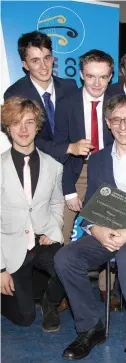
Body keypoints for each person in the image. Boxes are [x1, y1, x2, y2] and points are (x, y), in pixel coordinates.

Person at [54, 95, 126, 363]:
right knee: (66, 257)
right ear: (108, 123)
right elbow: (93, 205)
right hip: (108, 230)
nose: (122, 126)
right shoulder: (96, 160)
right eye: (116, 120)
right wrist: (96, 228)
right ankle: (90, 328)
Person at [54, 49, 126, 309]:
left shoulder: (118, 99)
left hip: (114, 166)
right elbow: (57, 143)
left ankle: (107, 290)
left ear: (111, 77)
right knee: (68, 234)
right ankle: (61, 293)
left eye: (103, 77)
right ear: (81, 75)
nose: (97, 83)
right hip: (78, 169)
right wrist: (68, 182)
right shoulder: (67, 102)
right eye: (91, 76)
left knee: (115, 220)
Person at [1, 97, 65, 332]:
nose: (23, 129)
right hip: (9, 248)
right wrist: (0, 270)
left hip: (42, 241)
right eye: (16, 122)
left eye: (29, 122)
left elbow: (57, 203)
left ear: (38, 126)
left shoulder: (53, 165)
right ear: (8, 128)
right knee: (24, 318)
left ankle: (49, 303)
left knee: (68, 263)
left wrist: (54, 230)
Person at [3, 31, 77, 157]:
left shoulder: (69, 87)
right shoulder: (15, 94)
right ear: (25, 65)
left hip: (72, 164)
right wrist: (66, 148)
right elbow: (22, 136)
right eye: (35, 61)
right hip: (37, 164)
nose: (44, 66)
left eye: (47, 58)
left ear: (53, 58)